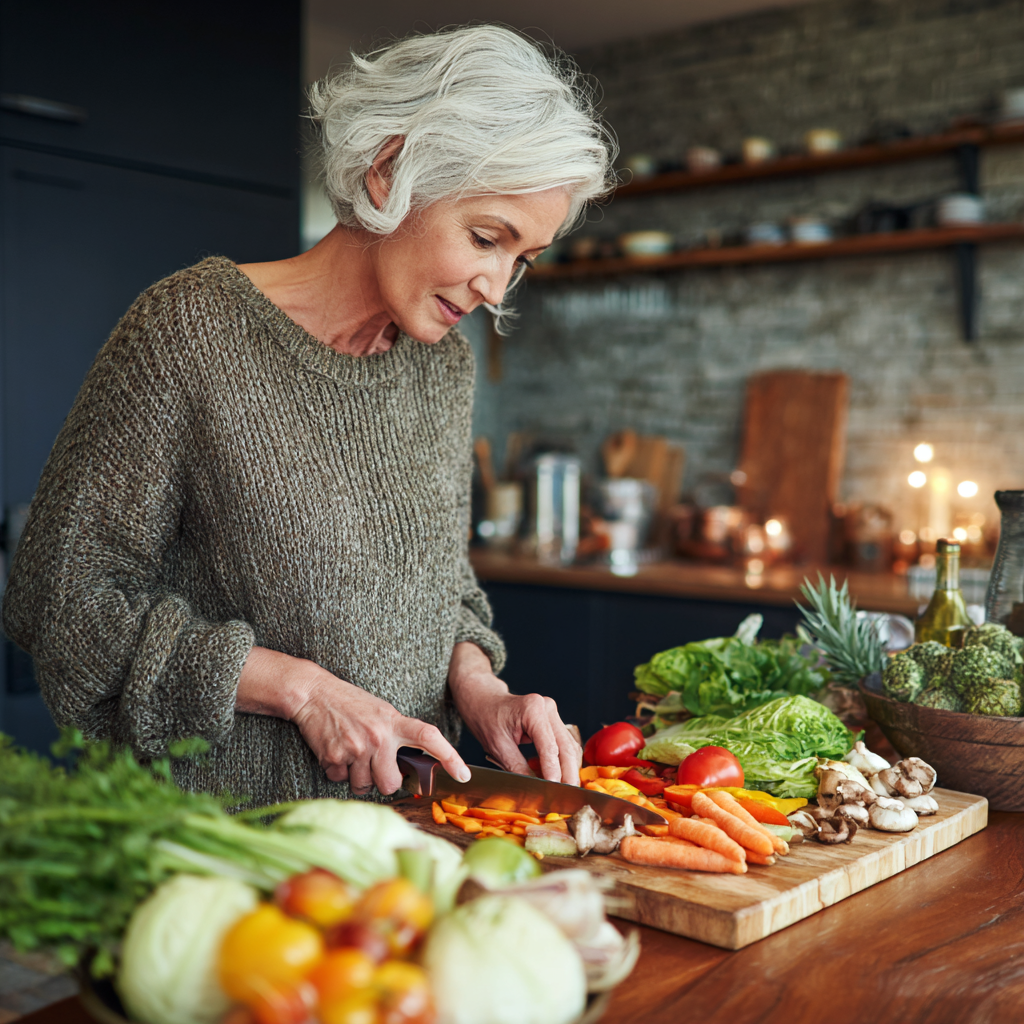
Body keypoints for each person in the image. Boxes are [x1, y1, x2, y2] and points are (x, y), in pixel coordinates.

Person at [1, 25, 616, 807]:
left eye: (521, 258)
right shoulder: (191, 330)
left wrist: (479, 686)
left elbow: (435, 583)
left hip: (413, 836)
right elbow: (60, 600)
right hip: (229, 847)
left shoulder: (442, 364)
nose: (498, 286)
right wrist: (302, 690)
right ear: (390, 173)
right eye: (486, 237)